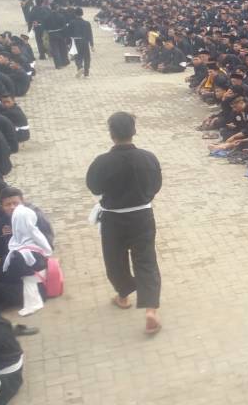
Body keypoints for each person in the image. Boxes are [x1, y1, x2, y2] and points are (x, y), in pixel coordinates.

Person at [85, 112, 164, 335]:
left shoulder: (102, 161)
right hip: (142, 216)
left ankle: (123, 295)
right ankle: (150, 310)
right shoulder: (148, 157)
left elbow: (94, 187)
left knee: (115, 260)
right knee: (146, 260)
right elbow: (156, 185)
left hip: (114, 219)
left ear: (112, 134)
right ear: (134, 131)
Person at [68, 8, 94, 77]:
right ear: (82, 14)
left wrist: (68, 43)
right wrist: (92, 45)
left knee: (77, 56)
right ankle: (86, 73)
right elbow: (90, 34)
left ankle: (80, 67)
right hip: (85, 41)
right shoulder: (87, 23)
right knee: (87, 57)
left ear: (75, 14)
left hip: (76, 41)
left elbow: (69, 33)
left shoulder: (72, 23)